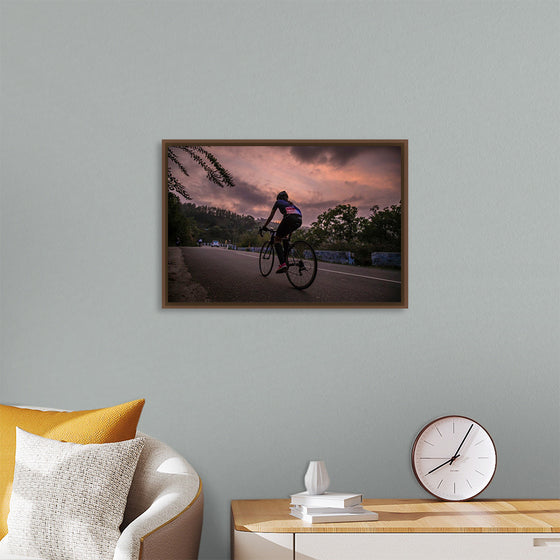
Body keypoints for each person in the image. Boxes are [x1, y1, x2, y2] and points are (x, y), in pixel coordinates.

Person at [260, 191, 302, 273]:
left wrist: (264, 226)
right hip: (299, 220)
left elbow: (271, 216)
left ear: (279, 198)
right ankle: (286, 259)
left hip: (289, 218)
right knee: (285, 238)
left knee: (277, 239)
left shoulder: (278, 202)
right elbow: (293, 219)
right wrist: (289, 233)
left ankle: (282, 264)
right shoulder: (292, 205)